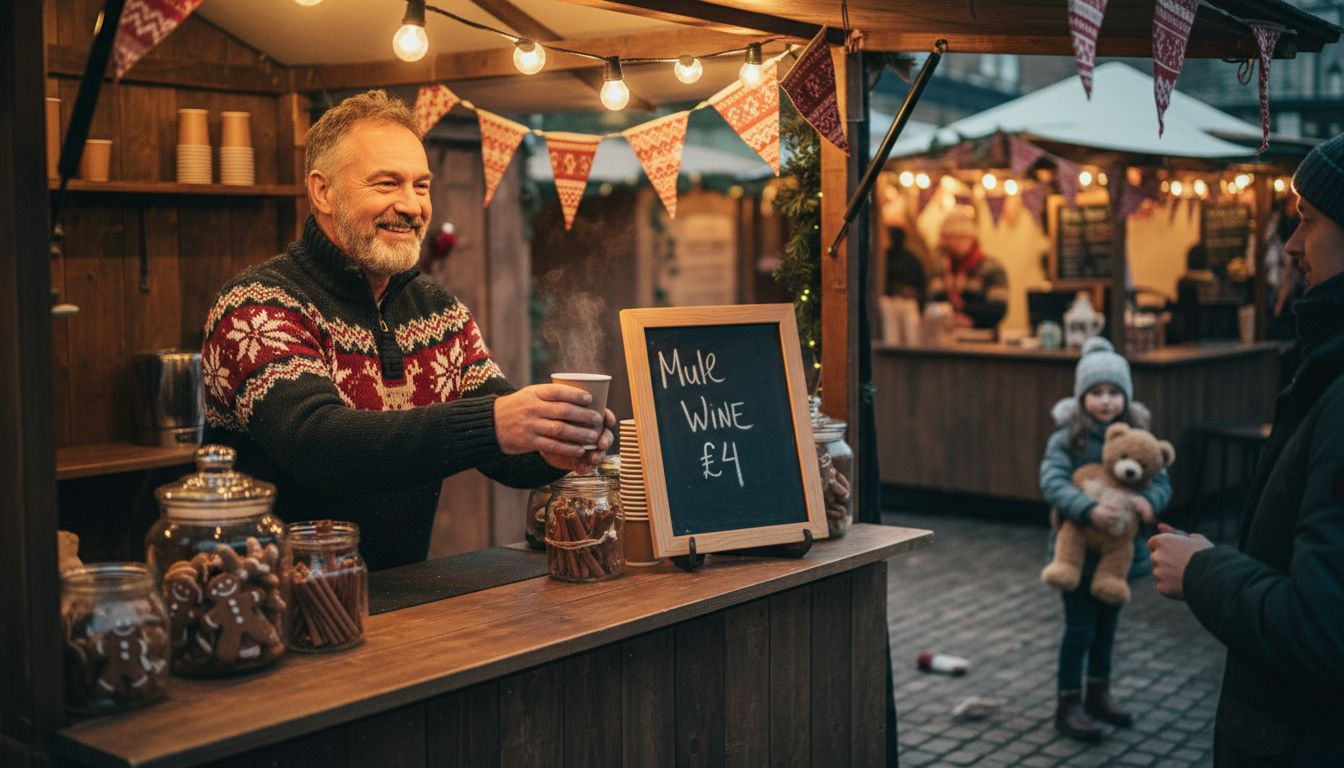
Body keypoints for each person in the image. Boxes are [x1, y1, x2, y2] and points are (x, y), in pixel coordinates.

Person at [201, 90, 612, 571]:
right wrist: (496, 423)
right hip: (271, 603)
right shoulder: (256, 306)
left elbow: (508, 455)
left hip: (404, 599)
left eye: (421, 185)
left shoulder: (438, 314)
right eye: (386, 184)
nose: (411, 205)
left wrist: (558, 440)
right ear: (323, 191)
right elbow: (319, 446)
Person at [1149, 134, 1344, 765]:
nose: (1290, 246)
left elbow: (1321, 626)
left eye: (1308, 223)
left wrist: (1202, 569)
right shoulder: (1326, 362)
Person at [1039, 337, 1172, 741]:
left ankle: (1099, 693)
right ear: (1082, 397)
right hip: (1076, 553)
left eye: (1114, 392)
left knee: (1107, 629)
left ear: (1125, 397)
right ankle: (1069, 703)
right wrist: (1086, 508)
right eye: (1096, 392)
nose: (1106, 400)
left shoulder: (1137, 436)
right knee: (1079, 630)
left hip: (1119, 553)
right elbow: (1052, 480)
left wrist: (1151, 502)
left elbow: (1161, 479)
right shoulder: (1068, 438)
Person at [927, 206, 1008, 330]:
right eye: (947, 239)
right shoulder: (940, 267)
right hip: (945, 336)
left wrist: (971, 319)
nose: (951, 244)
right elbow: (931, 301)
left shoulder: (991, 267)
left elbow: (998, 309)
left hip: (982, 338)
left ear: (969, 239)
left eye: (957, 238)